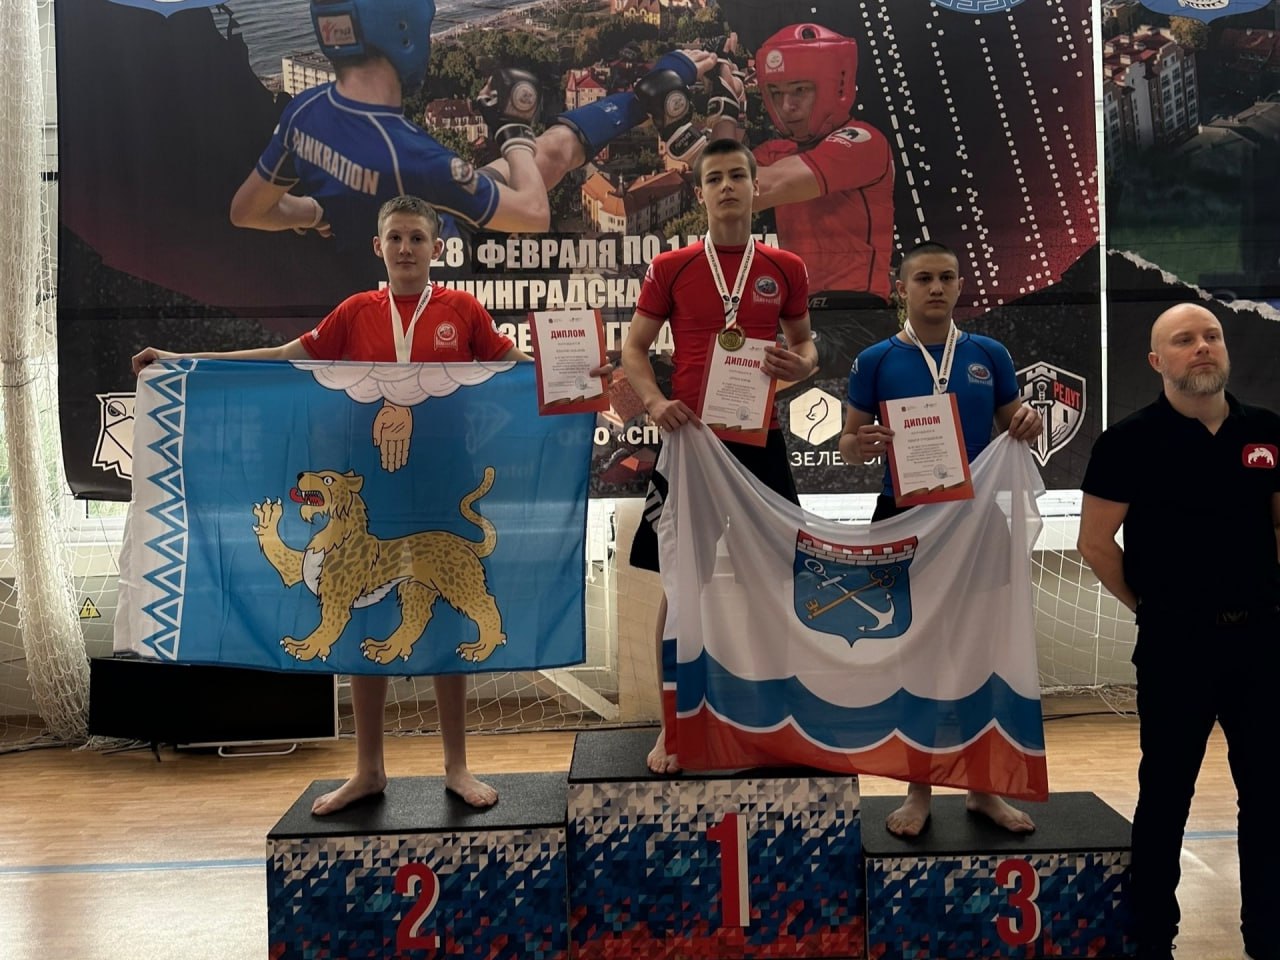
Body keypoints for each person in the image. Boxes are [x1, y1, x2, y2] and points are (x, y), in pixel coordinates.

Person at [134, 195, 607, 815]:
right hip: (369, 482)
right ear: (377, 246)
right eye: (396, 238)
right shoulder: (355, 311)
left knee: (446, 607)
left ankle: (457, 766)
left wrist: (583, 378)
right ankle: (368, 770)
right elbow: (283, 360)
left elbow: (516, 367)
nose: (406, 248)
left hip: (443, 478)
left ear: (438, 248)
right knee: (359, 615)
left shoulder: (462, 310)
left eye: (417, 238)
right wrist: (183, 364)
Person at [1077, 303, 1279, 960]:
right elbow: (1095, 543)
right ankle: (1152, 939)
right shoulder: (1127, 442)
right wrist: (1150, 607)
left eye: (1211, 336)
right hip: (1175, 646)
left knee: (1269, 797)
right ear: (1156, 360)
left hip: (1260, 645)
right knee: (1165, 796)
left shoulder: (1266, 432)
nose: (1202, 347)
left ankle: (1268, 935)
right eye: (1184, 339)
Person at [620, 138, 819, 774]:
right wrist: (654, 402)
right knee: (682, 585)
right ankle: (671, 728)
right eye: (715, 178)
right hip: (691, 446)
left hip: (761, 441)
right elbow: (633, 349)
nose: (727, 186)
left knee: (779, 581)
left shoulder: (785, 266)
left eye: (738, 175)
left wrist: (803, 365)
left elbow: (806, 346)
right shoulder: (672, 265)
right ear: (700, 191)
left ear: (757, 187)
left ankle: (777, 719)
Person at [838, 240, 1042, 837]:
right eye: (923, 278)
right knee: (915, 658)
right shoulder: (875, 359)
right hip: (902, 522)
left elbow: (1014, 426)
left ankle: (983, 789)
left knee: (979, 655)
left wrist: (1027, 421)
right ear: (901, 288)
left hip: (976, 525)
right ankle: (918, 789)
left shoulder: (988, 353)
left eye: (946, 278)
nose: (936, 287)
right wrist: (860, 444)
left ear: (959, 286)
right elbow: (849, 443)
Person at [229, 0, 717, 246]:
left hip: (375, 261)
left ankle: (641, 98)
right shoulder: (410, 155)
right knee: (544, 157)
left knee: (548, 152)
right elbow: (534, 213)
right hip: (439, 260)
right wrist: (513, 132)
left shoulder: (305, 112)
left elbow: (247, 210)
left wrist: (317, 213)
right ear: (403, 30)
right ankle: (653, 91)